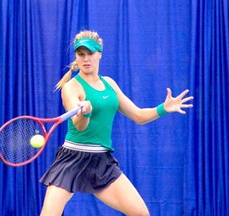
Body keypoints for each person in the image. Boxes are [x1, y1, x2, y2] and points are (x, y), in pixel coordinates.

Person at [39, 30, 193, 216]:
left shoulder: (110, 84)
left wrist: (163, 108)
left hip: (101, 162)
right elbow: (79, 125)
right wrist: (84, 113)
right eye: (81, 54)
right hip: (72, 158)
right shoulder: (71, 87)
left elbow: (138, 115)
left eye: (90, 54)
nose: (86, 59)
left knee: (141, 214)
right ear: (76, 57)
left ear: (100, 54)